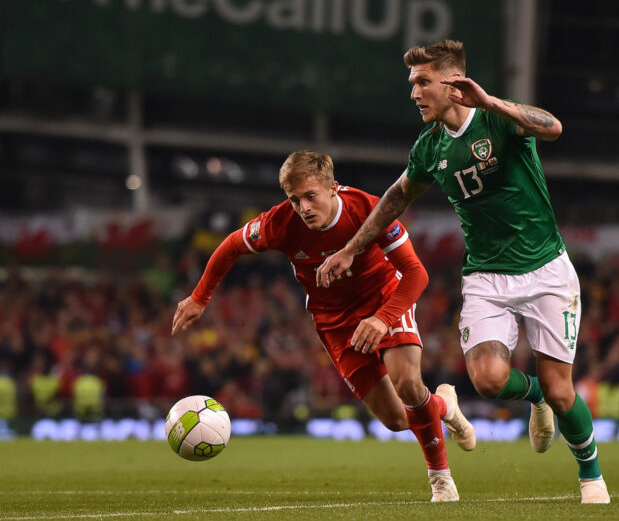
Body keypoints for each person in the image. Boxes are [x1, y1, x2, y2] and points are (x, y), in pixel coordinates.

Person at [317, 40, 609, 503]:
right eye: (412, 83)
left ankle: (591, 475)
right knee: (489, 381)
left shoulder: (497, 118)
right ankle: (533, 395)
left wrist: (491, 101)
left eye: (422, 82)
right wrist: (352, 248)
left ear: (453, 84)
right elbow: (397, 195)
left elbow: (553, 127)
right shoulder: (430, 145)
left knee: (563, 391)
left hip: (546, 269)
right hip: (486, 277)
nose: (414, 93)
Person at [172, 151, 475, 502]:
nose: (303, 207)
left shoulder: (369, 209)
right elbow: (231, 246)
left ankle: (441, 481)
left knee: (407, 383)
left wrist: (383, 318)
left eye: (310, 196)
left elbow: (416, 273)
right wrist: (200, 297)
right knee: (396, 419)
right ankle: (443, 405)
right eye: (294, 199)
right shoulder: (280, 222)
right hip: (334, 320)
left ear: (333, 188)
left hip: (384, 298)